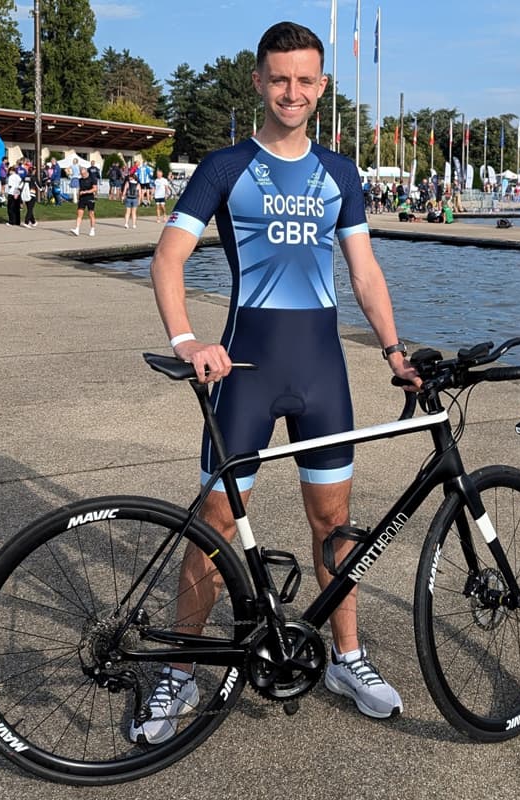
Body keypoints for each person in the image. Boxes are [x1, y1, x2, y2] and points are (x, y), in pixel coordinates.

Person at [134, 20, 418, 746]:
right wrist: (186, 339)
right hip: (246, 370)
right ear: (258, 82)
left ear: (322, 88)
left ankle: (346, 659)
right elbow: (167, 261)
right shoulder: (225, 166)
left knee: (336, 523)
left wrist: (393, 350)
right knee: (214, 524)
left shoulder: (341, 173)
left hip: (322, 369)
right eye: (279, 78)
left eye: (305, 80)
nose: (292, 92)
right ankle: (180, 671)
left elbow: (364, 273)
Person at [71, 165, 97, 236]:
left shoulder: (92, 179)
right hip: (82, 198)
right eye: (81, 174)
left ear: (86, 172)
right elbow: (80, 189)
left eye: (84, 174)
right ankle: (77, 229)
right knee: (79, 213)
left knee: (91, 214)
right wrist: (78, 196)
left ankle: (92, 229)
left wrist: (86, 192)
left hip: (90, 198)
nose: (83, 175)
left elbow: (95, 189)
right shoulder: (80, 180)